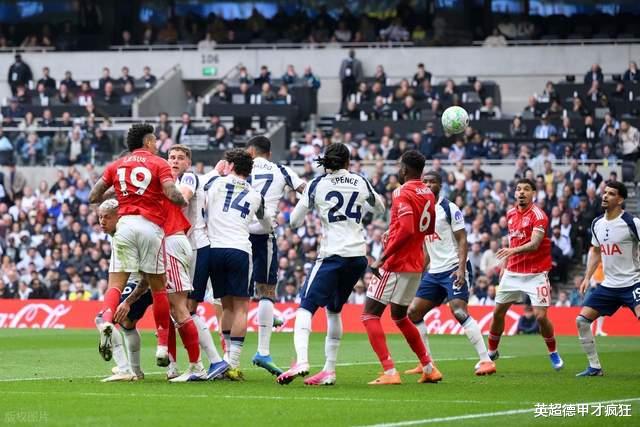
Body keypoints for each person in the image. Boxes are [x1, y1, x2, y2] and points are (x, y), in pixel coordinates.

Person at [276, 143, 384, 386]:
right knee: (334, 310)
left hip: (332, 255)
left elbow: (294, 222)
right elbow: (380, 207)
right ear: (347, 162)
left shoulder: (317, 184)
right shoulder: (360, 181)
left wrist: (314, 207)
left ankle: (302, 361)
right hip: (357, 257)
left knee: (305, 307)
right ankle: (329, 370)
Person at [89, 123, 187, 368]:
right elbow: (171, 192)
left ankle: (107, 321)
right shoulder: (158, 163)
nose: (156, 145)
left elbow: (93, 196)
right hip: (150, 227)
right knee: (159, 288)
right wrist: (181, 201)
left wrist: (120, 193)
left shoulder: (116, 165)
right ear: (148, 142)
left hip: (125, 225)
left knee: (115, 283)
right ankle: (162, 347)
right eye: (155, 141)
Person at [363, 150, 441, 385]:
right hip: (415, 262)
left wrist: (383, 256)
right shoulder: (428, 193)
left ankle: (389, 372)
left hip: (396, 263)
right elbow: (426, 228)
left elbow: (407, 228)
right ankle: (429, 367)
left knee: (369, 314)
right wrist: (394, 230)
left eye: (400, 166)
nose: (398, 170)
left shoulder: (401, 192)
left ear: (405, 169)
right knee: (399, 316)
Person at [407, 171, 496, 376]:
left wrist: (461, 268)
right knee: (413, 312)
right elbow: (427, 246)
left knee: (458, 311)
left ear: (440, 185)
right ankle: (426, 363)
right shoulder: (421, 211)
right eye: (425, 182)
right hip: (434, 272)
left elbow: (462, 239)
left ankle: (486, 360)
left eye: (432, 182)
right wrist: (419, 270)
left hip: (454, 267)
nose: (428, 185)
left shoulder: (449, 208)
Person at [204, 149, 271, 380]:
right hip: (239, 249)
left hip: (214, 249)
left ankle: (224, 359)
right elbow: (266, 224)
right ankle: (232, 363)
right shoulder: (255, 194)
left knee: (226, 306)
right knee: (242, 307)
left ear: (230, 165)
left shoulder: (214, 183)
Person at [487, 178, 564, 371]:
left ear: (533, 194)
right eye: (519, 189)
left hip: (536, 273)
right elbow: (512, 241)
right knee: (497, 313)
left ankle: (553, 352)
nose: (522, 192)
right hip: (512, 272)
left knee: (540, 317)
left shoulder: (539, 215)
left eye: (526, 189)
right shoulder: (510, 213)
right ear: (515, 193)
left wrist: (511, 251)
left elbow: (535, 244)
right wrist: (505, 264)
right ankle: (492, 351)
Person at [167, 145, 229, 380]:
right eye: (171, 157)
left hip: (195, 248)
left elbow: (182, 199)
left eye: (180, 158)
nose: (175, 161)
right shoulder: (181, 180)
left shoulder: (188, 178)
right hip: (188, 248)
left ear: (188, 163)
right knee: (182, 309)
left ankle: (212, 362)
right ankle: (207, 363)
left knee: (186, 309)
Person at [245, 136, 306, 376]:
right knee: (266, 290)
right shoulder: (281, 170)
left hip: (236, 233)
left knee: (234, 296)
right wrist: (296, 217)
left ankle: (228, 358)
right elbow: (305, 191)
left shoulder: (239, 167)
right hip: (263, 233)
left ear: (250, 152)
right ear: (269, 154)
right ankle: (262, 351)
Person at [576, 181, 640, 376]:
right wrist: (587, 277)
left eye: (611, 193)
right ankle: (594, 367)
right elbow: (596, 252)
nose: (605, 196)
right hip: (609, 285)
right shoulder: (597, 223)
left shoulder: (632, 222)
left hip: (633, 282)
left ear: (620, 200)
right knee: (581, 321)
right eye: (605, 192)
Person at [96, 199, 151, 382]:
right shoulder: (121, 233)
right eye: (100, 217)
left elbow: (144, 271)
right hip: (149, 283)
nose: (102, 222)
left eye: (107, 217)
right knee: (128, 325)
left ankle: (124, 369)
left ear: (118, 217)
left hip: (141, 284)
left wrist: (128, 300)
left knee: (103, 319)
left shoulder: (124, 236)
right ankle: (136, 371)